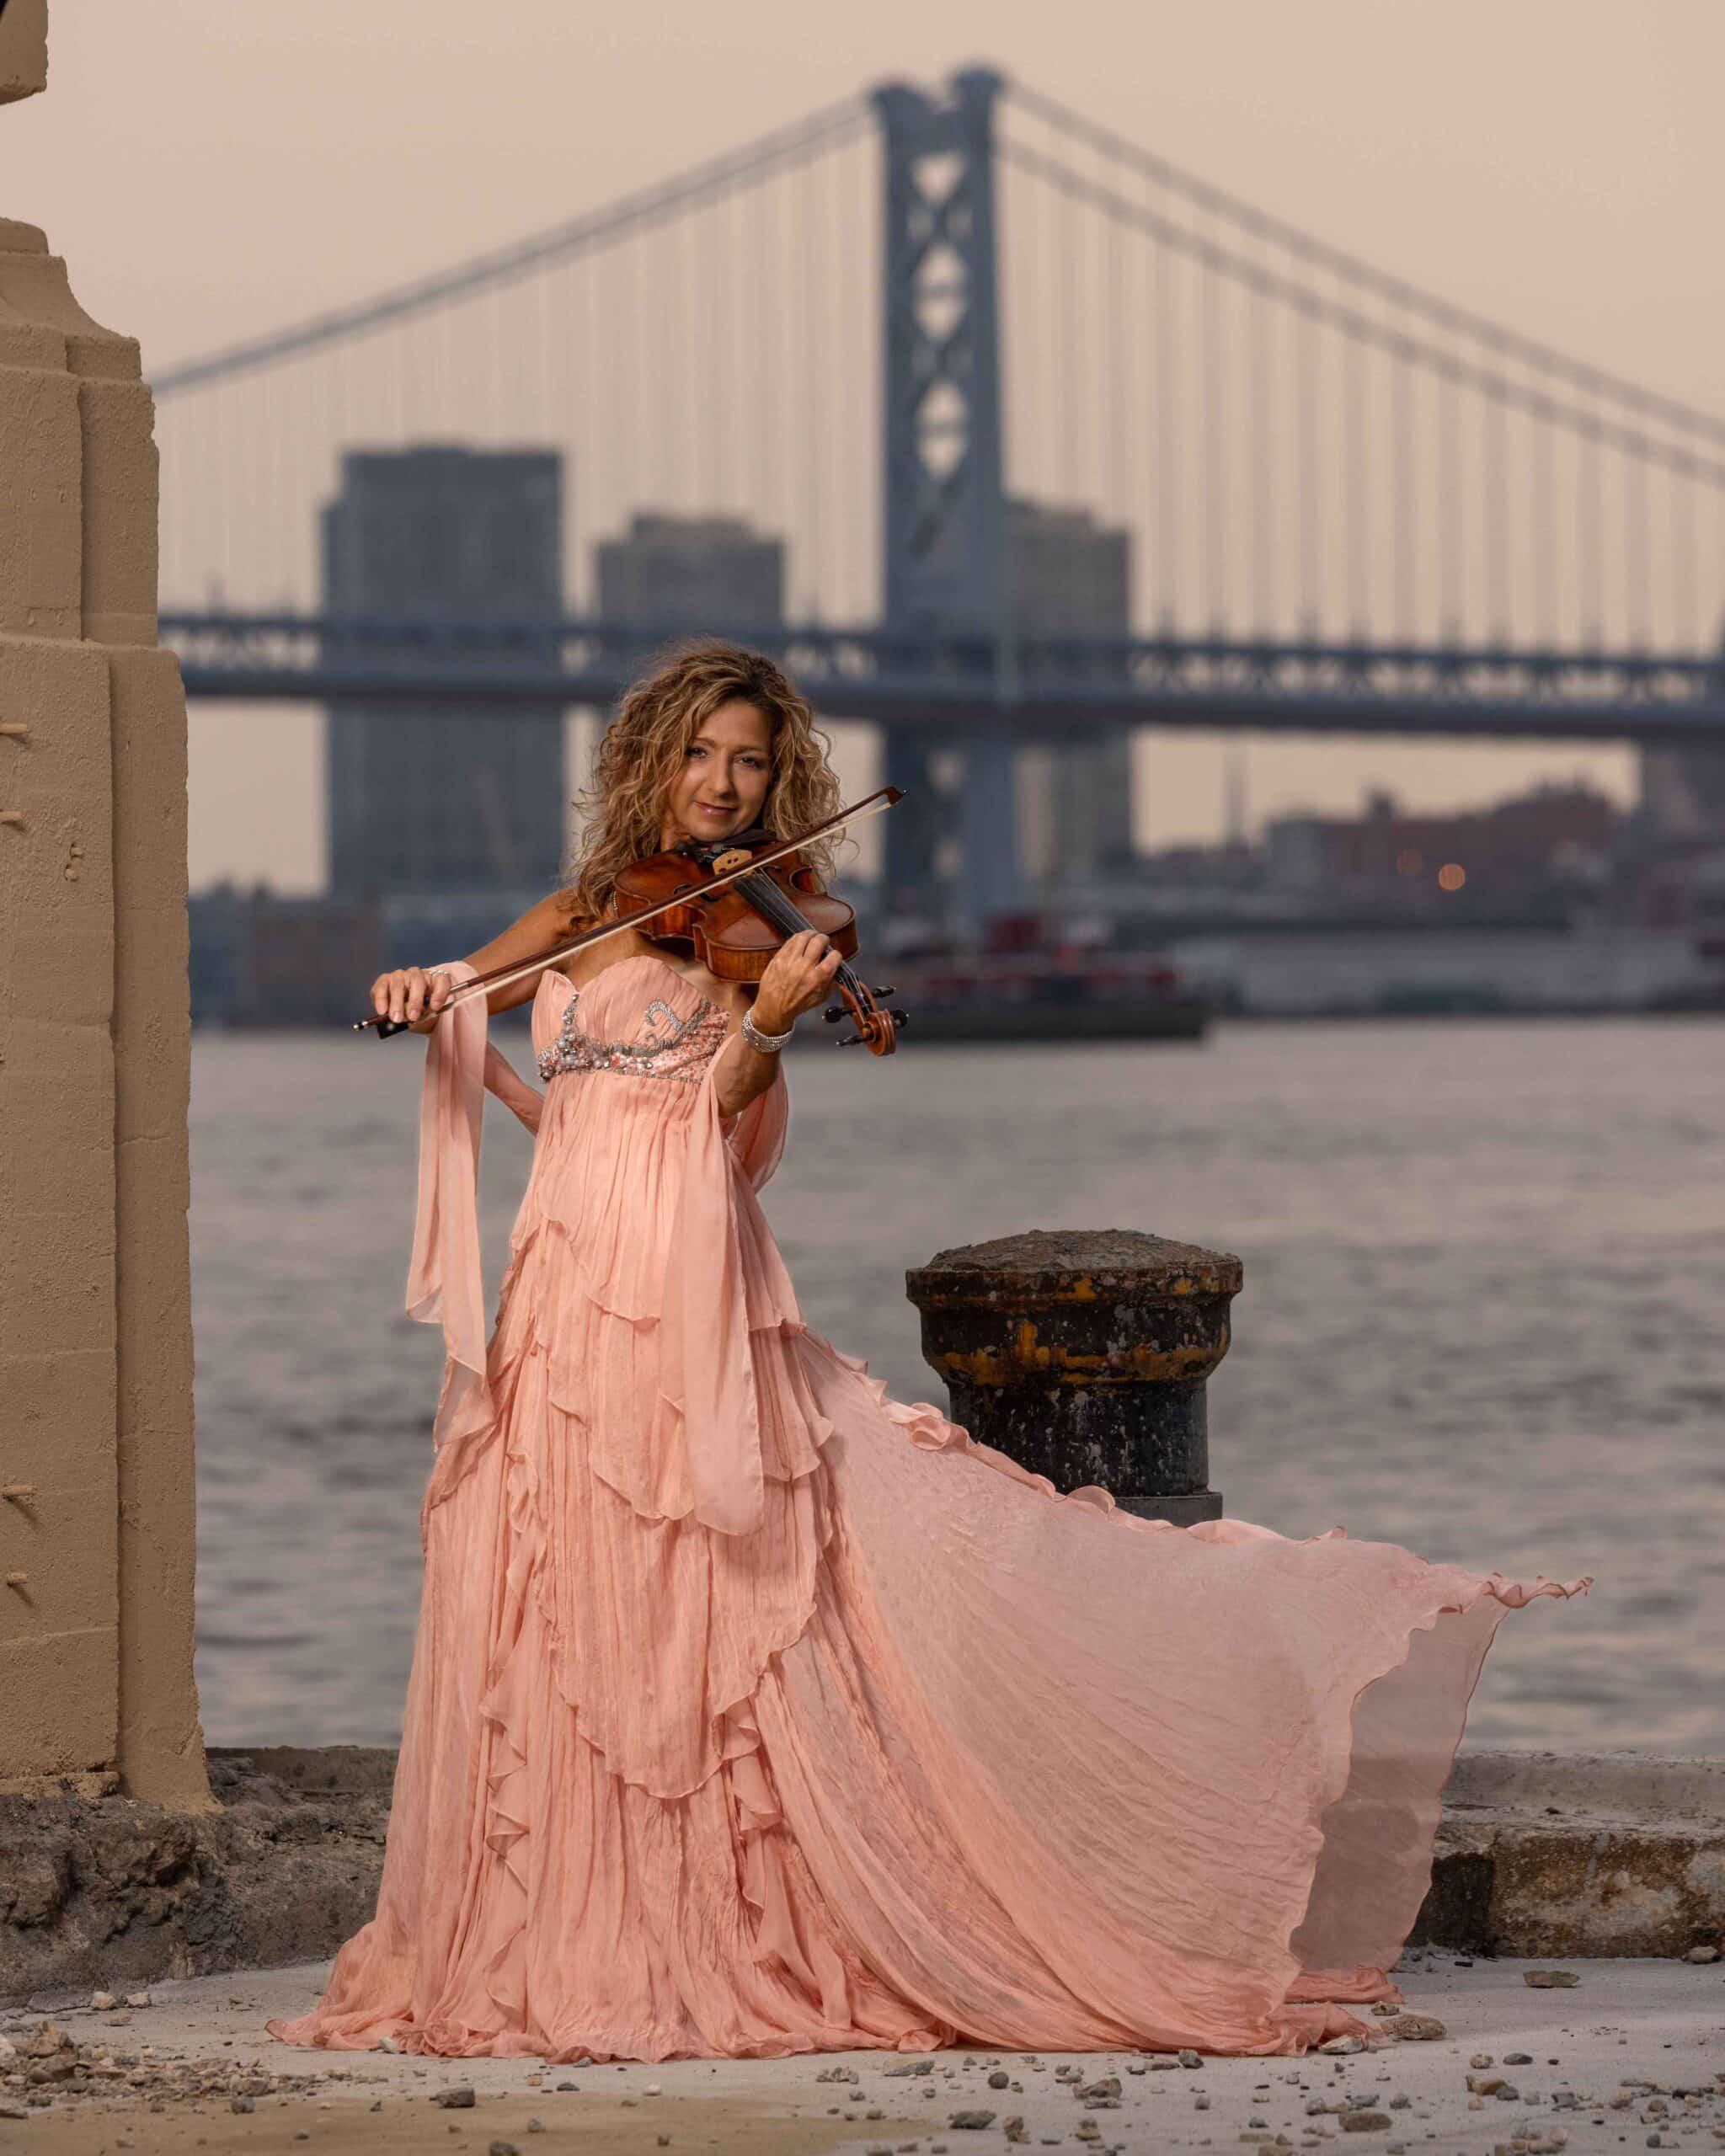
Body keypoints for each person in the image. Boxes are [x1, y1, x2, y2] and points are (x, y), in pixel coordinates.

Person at [267, 640, 1589, 2066]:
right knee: (561, 1584)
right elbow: (487, 994)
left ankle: (703, 1924)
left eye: (752, 762)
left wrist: (770, 1024)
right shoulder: (600, 901)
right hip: (562, 1275)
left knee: (701, 1587)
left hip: (678, 1263)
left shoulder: (786, 924)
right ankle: (554, 1923)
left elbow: (716, 1116)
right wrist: (427, 989)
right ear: (653, 757)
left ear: (783, 782)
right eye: (702, 754)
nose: (723, 784)